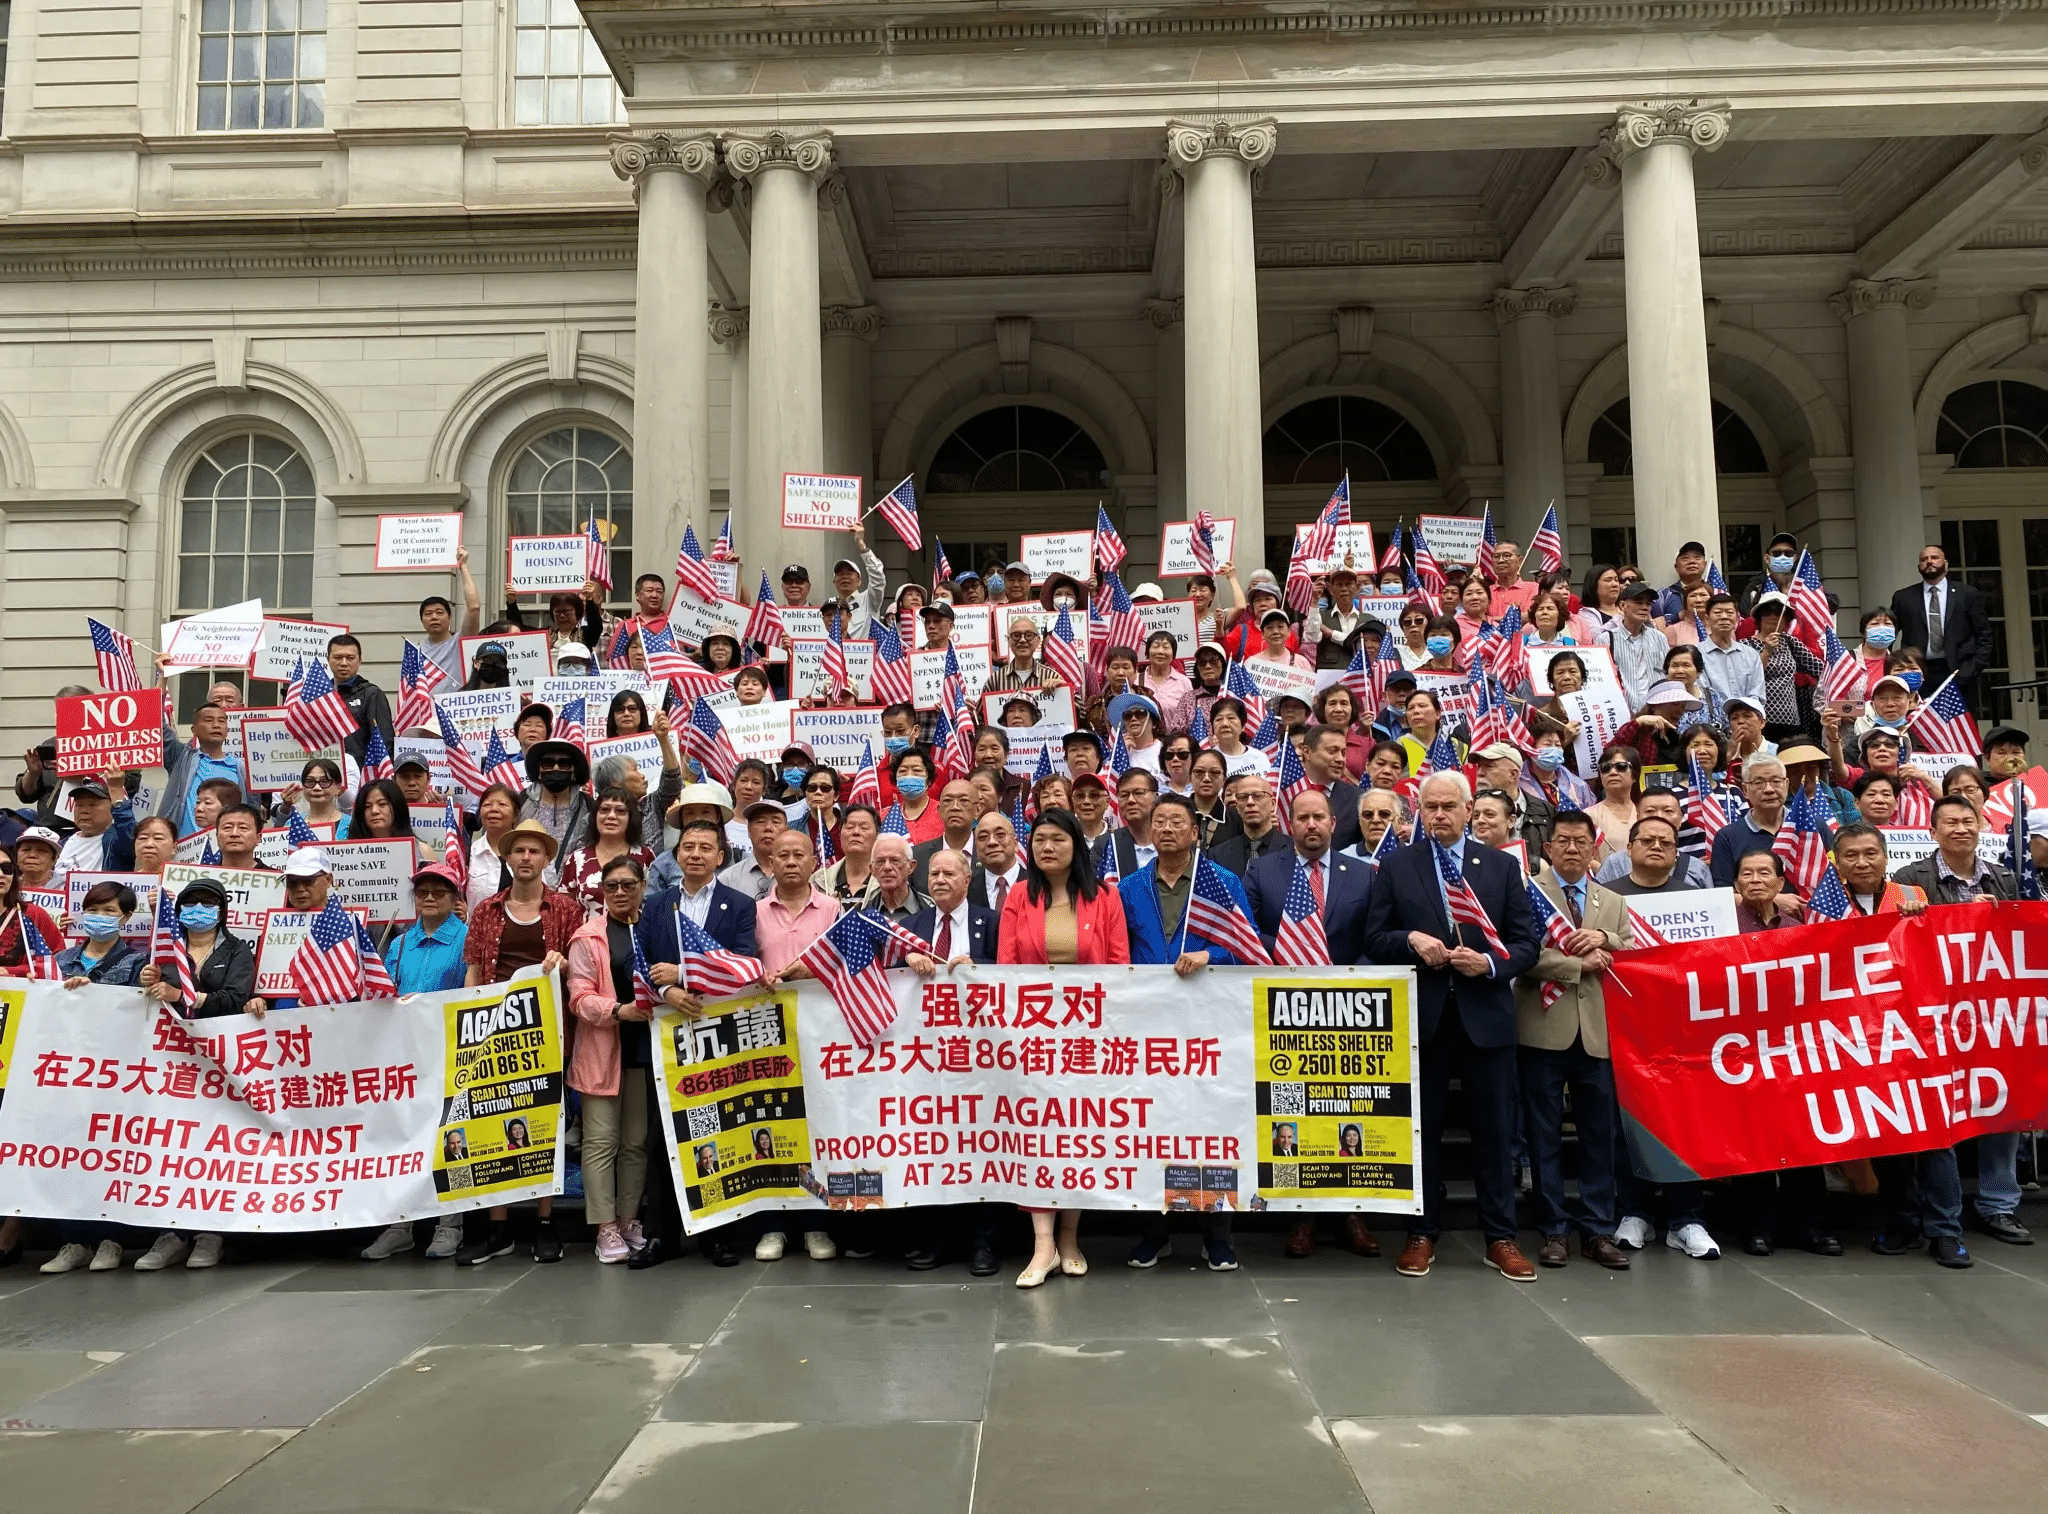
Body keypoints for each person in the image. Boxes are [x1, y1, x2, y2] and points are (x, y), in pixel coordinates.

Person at [1362, 772, 1540, 1280]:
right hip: (1425, 1020)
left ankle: (1501, 1238)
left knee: (1495, 1131)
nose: (1439, 815)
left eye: (1448, 807)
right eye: (1430, 807)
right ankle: (1422, 1233)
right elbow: (1375, 937)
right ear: (1419, 810)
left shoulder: (1502, 867)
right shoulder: (1398, 866)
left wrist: (1487, 965)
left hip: (1486, 1018)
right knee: (1425, 1133)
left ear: (1468, 810)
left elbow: (1526, 945)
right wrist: (1412, 939)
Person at [1243, 789, 1380, 1259]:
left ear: (1332, 822)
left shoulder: (1363, 873)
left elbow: (1375, 936)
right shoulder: (1266, 869)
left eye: (1319, 817)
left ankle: (1351, 1214)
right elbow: (1248, 926)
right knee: (1295, 1113)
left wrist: (1351, 979)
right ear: (1291, 824)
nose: (1311, 826)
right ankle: (1301, 1216)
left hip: (1350, 1015)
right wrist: (1287, 951)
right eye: (1302, 818)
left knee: (1346, 1112)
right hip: (1286, 1010)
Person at [998, 809, 1129, 1287]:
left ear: (1076, 845)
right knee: (1035, 1137)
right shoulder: (1019, 896)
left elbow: (1119, 968)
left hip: (1086, 1041)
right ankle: (1042, 1245)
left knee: (1075, 1138)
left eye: (1056, 839)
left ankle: (1070, 1238)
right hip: (1032, 1041)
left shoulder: (1104, 898)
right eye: (1038, 840)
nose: (1046, 847)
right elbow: (1007, 969)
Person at [457, 819, 584, 1266]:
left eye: (534, 851)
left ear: (546, 859)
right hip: (494, 1033)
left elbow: (583, 963)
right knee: (496, 1124)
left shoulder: (567, 909)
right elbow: (474, 969)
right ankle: (499, 1228)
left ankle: (545, 1225)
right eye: (519, 851)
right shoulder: (487, 910)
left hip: (548, 1031)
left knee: (544, 1126)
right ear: (507, 858)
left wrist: (564, 962)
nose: (526, 858)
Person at [1515, 810, 1632, 1271]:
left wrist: (1604, 938)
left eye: (1580, 841)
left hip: (1598, 1035)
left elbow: (1629, 948)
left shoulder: (1613, 901)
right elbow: (1519, 952)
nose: (1570, 848)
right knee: (1543, 1136)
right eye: (1562, 840)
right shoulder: (1528, 895)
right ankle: (1553, 1229)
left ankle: (1599, 1229)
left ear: (1593, 849)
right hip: (1542, 1030)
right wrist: (1572, 965)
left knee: (1598, 1136)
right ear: (1548, 847)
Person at [123, 877, 256, 1274]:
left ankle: (210, 1233)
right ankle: (171, 1233)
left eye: (208, 902)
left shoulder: (236, 951)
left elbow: (234, 999)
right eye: (191, 901)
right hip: (170, 1065)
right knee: (172, 1148)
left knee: (213, 1148)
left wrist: (185, 996)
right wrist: (146, 983)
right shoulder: (164, 950)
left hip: (219, 1064)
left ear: (221, 910)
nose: (199, 907)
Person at [359, 864, 472, 1261]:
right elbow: (385, 992)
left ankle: (450, 1223)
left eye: (438, 892)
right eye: (422, 891)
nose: (428, 897)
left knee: (452, 1136)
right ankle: (401, 1224)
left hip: (450, 1053)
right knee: (404, 1137)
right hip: (405, 1056)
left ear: (455, 898)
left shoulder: (466, 940)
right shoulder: (400, 943)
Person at [566, 855, 657, 1265]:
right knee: (601, 1143)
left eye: (627, 884)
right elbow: (579, 999)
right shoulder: (588, 936)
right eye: (611, 886)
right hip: (603, 1050)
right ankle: (604, 1227)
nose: (620, 892)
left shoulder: (654, 927)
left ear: (643, 884)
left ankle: (629, 1219)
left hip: (646, 1049)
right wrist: (619, 1011)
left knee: (636, 1143)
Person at [1889, 543, 1994, 713]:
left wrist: (1971, 669)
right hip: (1917, 674)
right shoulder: (1904, 597)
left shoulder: (1967, 594)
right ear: (1919, 567)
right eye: (1924, 559)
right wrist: (1892, 669)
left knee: (1959, 729)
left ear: (1945, 564)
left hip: (1958, 672)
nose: (1929, 562)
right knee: (1920, 726)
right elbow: (1889, 635)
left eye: (1934, 557)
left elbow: (1984, 635)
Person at [1710, 755, 1815, 885]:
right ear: (1745, 790)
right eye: (1759, 783)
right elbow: (1724, 893)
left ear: (1786, 785)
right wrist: (1775, 901)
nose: (1769, 790)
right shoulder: (1727, 837)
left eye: (1776, 781)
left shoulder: (1814, 826)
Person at [1594, 788, 1713, 889]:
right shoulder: (1615, 864)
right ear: (1638, 817)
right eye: (1650, 811)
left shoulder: (1697, 869)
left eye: (1668, 811)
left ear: (1681, 818)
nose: (1659, 816)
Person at [558, 787, 654, 911]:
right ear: (594, 816)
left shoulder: (645, 856)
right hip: (586, 930)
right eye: (604, 810)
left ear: (631, 818)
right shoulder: (577, 859)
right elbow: (563, 909)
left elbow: (654, 905)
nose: (611, 816)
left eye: (620, 811)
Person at [155, 696, 239, 833]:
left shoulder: (241, 768)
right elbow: (156, 724)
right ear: (194, 730)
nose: (216, 725)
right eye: (209, 720)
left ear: (227, 731)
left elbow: (250, 811)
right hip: (184, 848)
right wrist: (162, 682)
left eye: (221, 721)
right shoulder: (182, 758)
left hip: (225, 848)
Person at [520, 736, 594, 874]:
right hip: (528, 888)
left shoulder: (590, 807)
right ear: (538, 769)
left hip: (573, 888)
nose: (556, 768)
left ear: (574, 770)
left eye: (564, 764)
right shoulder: (520, 802)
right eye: (548, 763)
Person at [55, 880, 146, 987]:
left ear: (126, 917)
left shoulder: (137, 964)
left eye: (109, 910)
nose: (100, 915)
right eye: (92, 910)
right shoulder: (61, 959)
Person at [323, 634, 396, 764]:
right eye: (338, 657)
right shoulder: (319, 695)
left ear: (360, 660)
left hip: (360, 774)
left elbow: (384, 742)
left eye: (350, 658)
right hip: (325, 776)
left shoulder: (372, 694)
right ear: (328, 659)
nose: (344, 663)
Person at [417, 549, 483, 682]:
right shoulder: (416, 651)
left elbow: (474, 607)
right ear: (422, 621)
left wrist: (463, 566)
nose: (434, 617)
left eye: (440, 612)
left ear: (449, 618)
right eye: (428, 614)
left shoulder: (461, 641)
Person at [1697, 593, 1766, 711]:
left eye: (1729, 612)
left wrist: (1742, 716)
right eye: (1718, 613)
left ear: (1737, 619)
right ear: (1707, 619)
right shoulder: (1697, 654)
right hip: (1712, 724)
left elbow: (1757, 694)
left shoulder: (1751, 654)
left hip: (1746, 720)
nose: (1724, 617)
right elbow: (1703, 694)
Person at [721, 799, 785, 900]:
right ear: (748, 831)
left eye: (776, 822)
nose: (768, 828)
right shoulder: (728, 879)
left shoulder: (799, 876)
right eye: (760, 822)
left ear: (786, 830)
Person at [868, 834, 931, 925]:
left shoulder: (931, 909)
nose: (887, 867)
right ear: (872, 869)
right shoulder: (861, 916)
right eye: (880, 861)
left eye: (894, 860)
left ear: (911, 866)